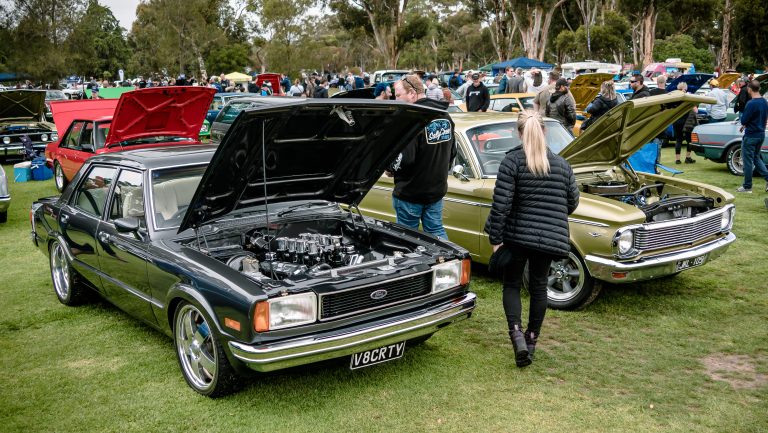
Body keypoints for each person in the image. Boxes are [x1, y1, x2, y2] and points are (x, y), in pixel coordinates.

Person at [485, 109, 579, 368]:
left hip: (516, 236)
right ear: (544, 131)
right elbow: (572, 203)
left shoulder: (512, 161)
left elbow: (501, 205)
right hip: (549, 237)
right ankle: (532, 339)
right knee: (538, 287)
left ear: (518, 133)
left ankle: (517, 336)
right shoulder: (562, 165)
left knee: (512, 284)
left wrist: (495, 239)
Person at [389, 74, 456, 240]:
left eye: (398, 95)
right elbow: (452, 153)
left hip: (411, 193)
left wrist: (390, 167)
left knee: (406, 238)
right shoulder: (444, 116)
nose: (396, 100)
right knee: (436, 234)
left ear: (412, 93)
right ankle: (445, 258)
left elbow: (405, 159)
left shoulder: (414, 118)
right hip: (435, 191)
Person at [736, 80, 768, 193]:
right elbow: (760, 117)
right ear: (759, 89)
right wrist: (746, 125)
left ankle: (747, 186)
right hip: (760, 134)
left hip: (751, 136)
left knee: (748, 161)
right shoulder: (764, 101)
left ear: (749, 89)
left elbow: (744, 119)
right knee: (756, 158)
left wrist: (744, 124)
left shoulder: (751, 103)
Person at [672, 82, 698, 164]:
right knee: (689, 140)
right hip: (687, 122)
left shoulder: (674, 98)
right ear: (685, 89)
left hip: (676, 121)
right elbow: (695, 110)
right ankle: (688, 157)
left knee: (678, 140)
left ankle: (677, 159)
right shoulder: (688, 97)